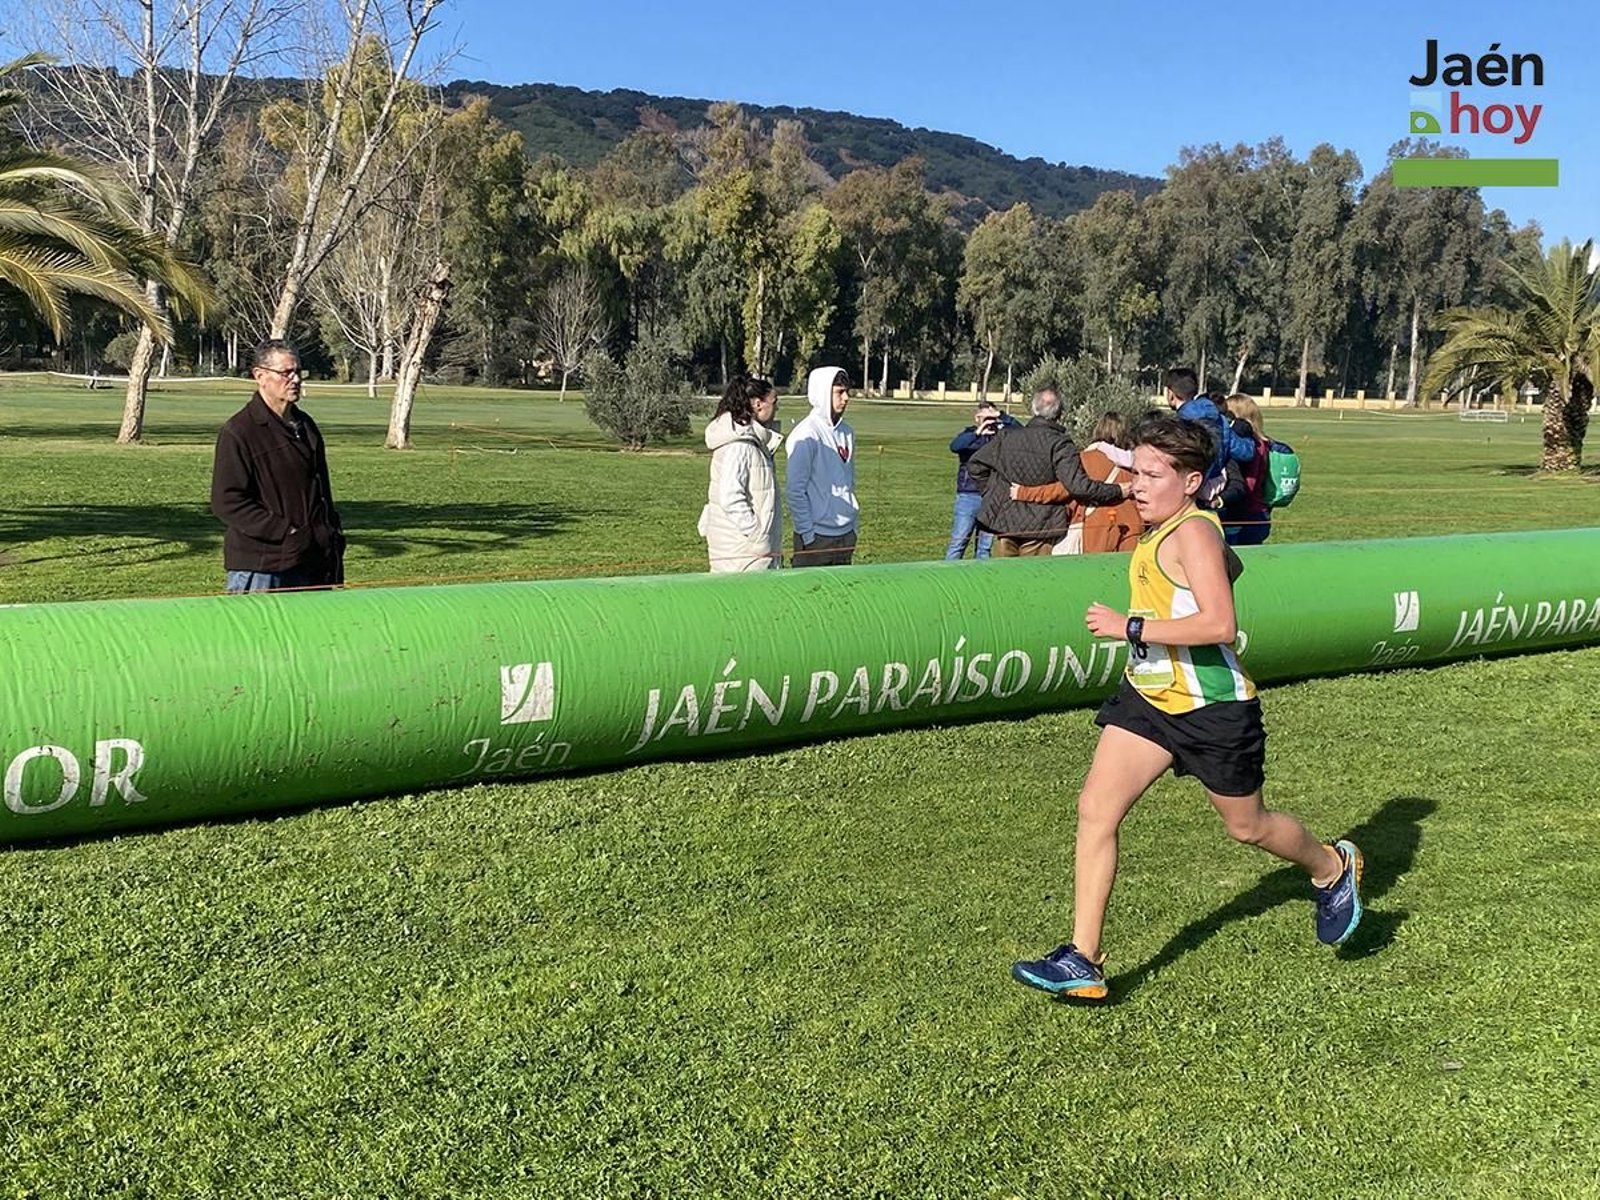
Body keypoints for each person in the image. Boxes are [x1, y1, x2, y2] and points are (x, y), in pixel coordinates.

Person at [1010, 415, 1363, 1000]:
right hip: (1149, 698)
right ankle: (1083, 958)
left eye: (1152, 474)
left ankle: (1331, 867)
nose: (1137, 485)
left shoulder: (1192, 533)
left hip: (1212, 710)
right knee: (1096, 808)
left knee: (1246, 826)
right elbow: (1221, 573)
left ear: (1192, 480)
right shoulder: (1167, 528)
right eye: (1135, 471)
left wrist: (1130, 625)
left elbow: (1221, 622)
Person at [211, 338, 344, 593]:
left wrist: (330, 536)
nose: (295, 379)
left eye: (298, 372)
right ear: (260, 376)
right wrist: (287, 532)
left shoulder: (306, 427)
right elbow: (227, 501)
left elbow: (321, 495)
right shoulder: (239, 431)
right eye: (286, 373)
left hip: (311, 563)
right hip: (262, 567)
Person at [965, 387, 1128, 557]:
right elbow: (1078, 486)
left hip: (1006, 521)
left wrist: (995, 492)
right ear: (1059, 413)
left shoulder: (1007, 437)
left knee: (1002, 578)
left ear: (1034, 408)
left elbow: (976, 465)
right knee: (1035, 579)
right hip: (1041, 525)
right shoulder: (1060, 444)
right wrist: (1117, 490)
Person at [1007, 410, 1144, 554]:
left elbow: (1063, 489)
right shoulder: (1137, 463)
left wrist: (1024, 493)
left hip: (1099, 529)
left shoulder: (1086, 459)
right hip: (1134, 525)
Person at [699, 375, 784, 572]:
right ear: (758, 404)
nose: (777, 408)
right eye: (774, 401)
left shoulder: (752, 442)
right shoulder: (740, 445)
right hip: (742, 556)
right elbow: (730, 497)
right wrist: (758, 536)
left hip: (748, 553)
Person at [786, 366, 858, 567]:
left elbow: (849, 481)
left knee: (843, 596)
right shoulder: (806, 434)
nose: (846, 398)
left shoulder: (848, 432)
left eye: (847, 391)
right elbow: (795, 491)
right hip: (817, 537)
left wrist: (853, 526)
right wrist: (808, 535)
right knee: (809, 595)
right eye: (839, 392)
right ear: (823, 394)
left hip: (845, 534)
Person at [1163, 366, 1256, 504]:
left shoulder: (1176, 424)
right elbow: (1245, 452)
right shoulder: (1220, 419)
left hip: (1184, 494)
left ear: (1170, 394)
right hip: (1214, 490)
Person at [945, 401, 1020, 560]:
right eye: (985, 418)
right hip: (968, 496)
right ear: (977, 418)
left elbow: (1022, 431)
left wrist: (1001, 415)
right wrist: (978, 433)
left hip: (991, 497)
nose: (989, 423)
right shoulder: (969, 435)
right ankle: (948, 576)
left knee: (984, 548)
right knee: (959, 542)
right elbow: (954, 446)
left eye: (991, 419)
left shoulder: (1000, 436)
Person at [1218, 393, 1272, 546]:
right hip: (1261, 512)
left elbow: (1248, 484)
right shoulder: (1263, 444)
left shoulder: (1247, 448)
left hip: (1244, 515)